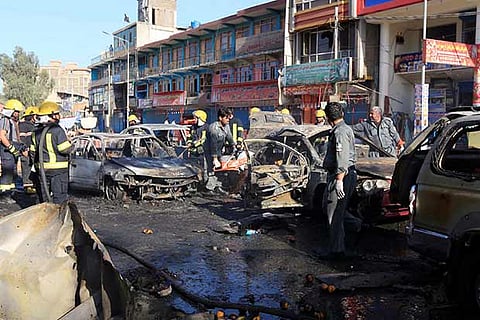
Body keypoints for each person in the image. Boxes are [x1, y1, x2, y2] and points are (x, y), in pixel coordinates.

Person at [321, 102, 357, 259]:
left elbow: (342, 159)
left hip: (341, 176)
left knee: (334, 215)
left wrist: (339, 180)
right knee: (329, 208)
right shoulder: (341, 129)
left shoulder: (340, 132)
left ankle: (337, 251)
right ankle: (356, 224)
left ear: (328, 117)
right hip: (342, 175)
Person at [30, 101, 72, 204]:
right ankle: (58, 218)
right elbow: (64, 149)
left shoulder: (35, 132)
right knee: (59, 199)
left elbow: (32, 153)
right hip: (58, 171)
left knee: (43, 199)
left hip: (42, 171)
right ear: (51, 116)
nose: (59, 116)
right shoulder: (57, 130)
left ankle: (43, 218)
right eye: (57, 114)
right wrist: (72, 146)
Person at [0, 99, 26, 202]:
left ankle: (10, 193)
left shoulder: (12, 121)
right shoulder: (5, 120)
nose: (18, 114)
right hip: (6, 150)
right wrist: (10, 147)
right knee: (7, 172)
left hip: (11, 149)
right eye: (17, 112)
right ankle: (4, 195)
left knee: (12, 173)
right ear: (11, 111)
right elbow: (2, 136)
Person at [204, 107, 234, 193]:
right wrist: (214, 158)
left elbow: (229, 137)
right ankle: (209, 189)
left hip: (219, 149)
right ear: (220, 118)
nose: (228, 119)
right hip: (209, 150)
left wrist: (234, 145)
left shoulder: (226, 126)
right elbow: (213, 144)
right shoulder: (214, 128)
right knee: (211, 168)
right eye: (226, 117)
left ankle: (217, 186)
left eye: (229, 117)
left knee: (220, 168)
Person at [18, 106, 38, 193]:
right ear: (32, 116)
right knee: (27, 167)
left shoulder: (21, 125)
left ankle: (29, 185)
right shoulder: (28, 126)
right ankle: (28, 186)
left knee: (27, 167)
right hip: (27, 151)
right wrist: (25, 149)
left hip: (27, 150)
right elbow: (23, 138)